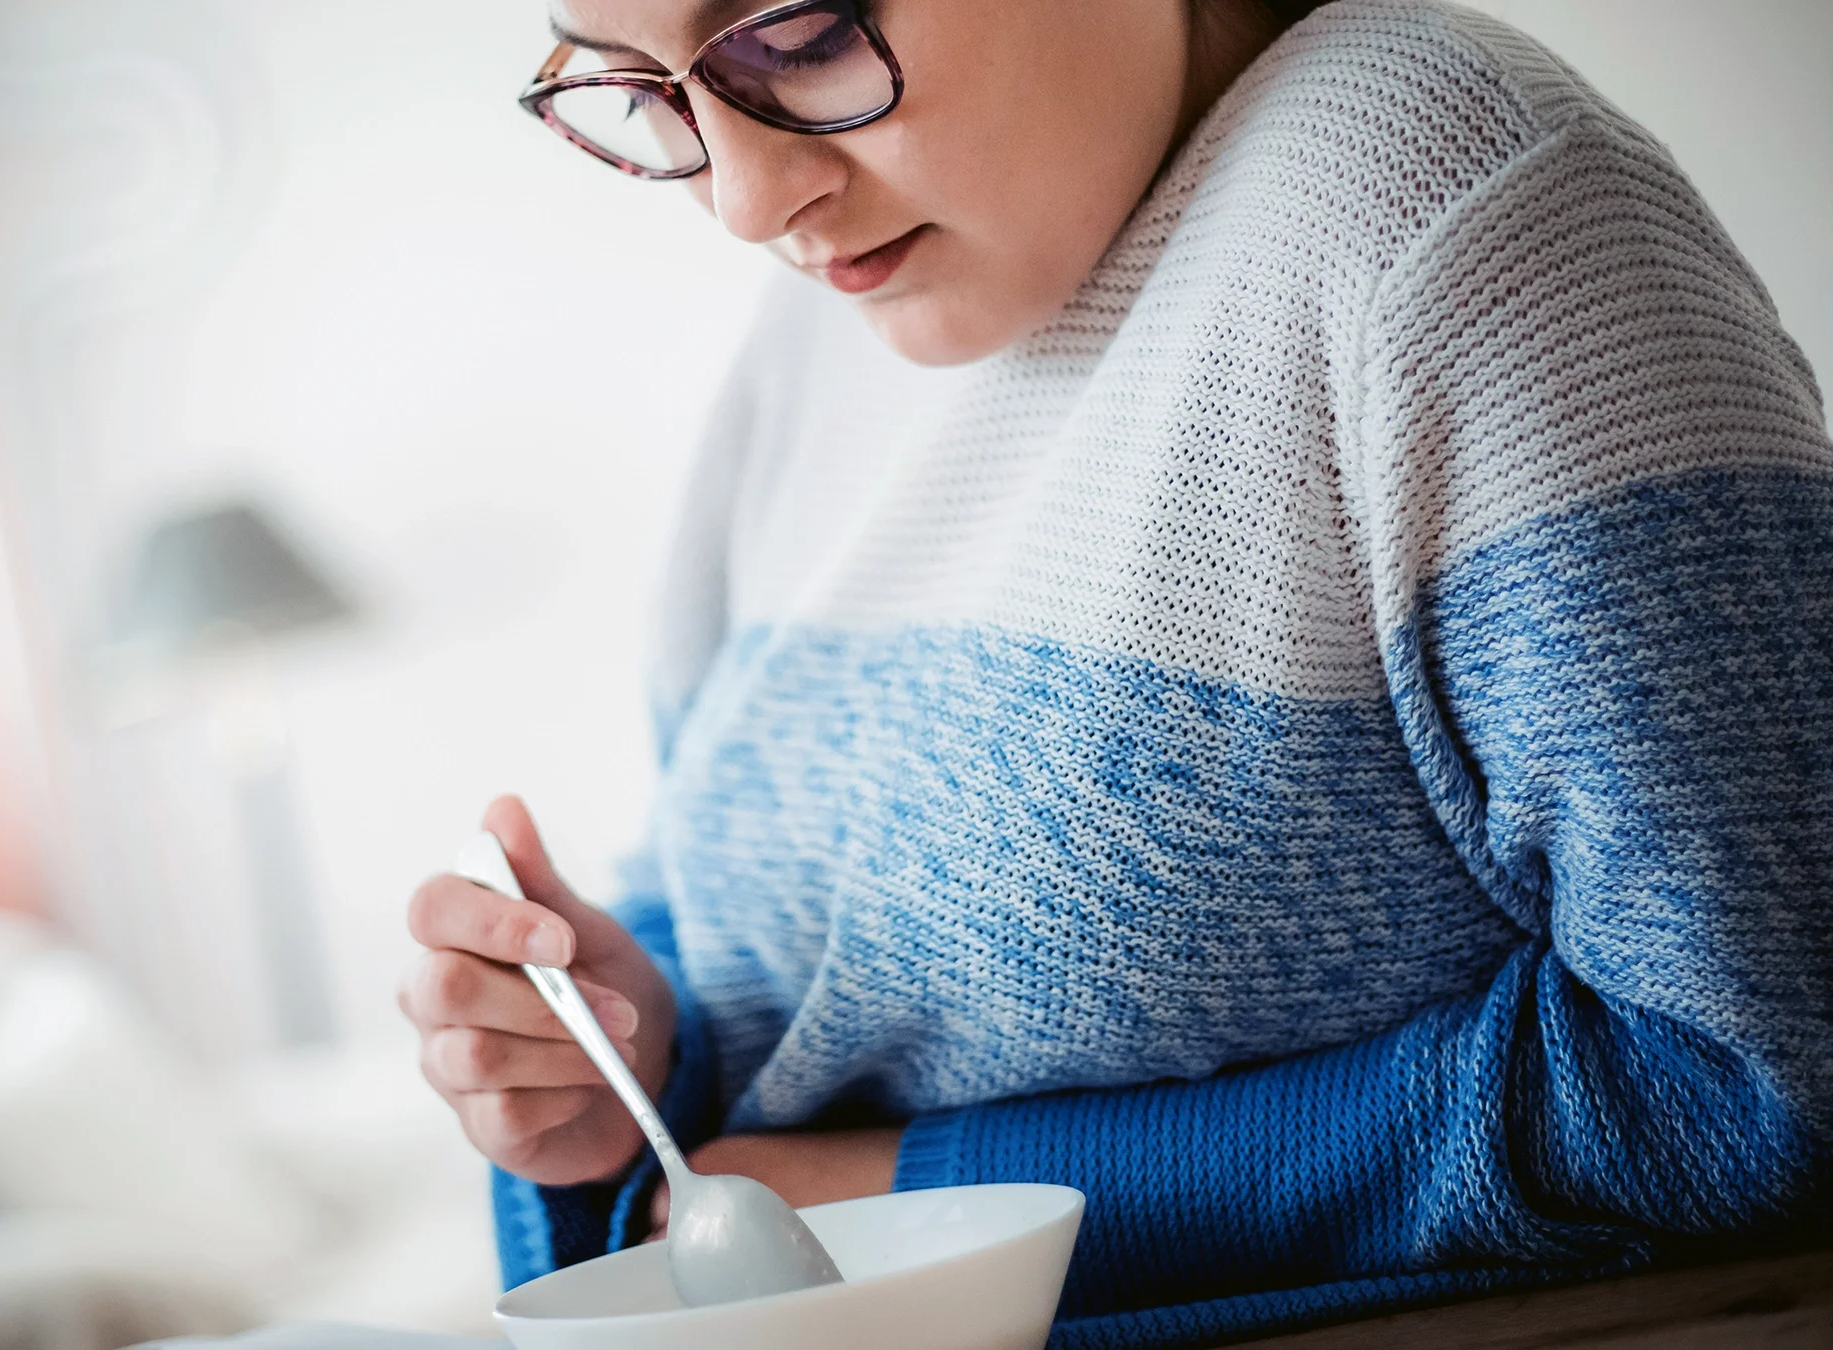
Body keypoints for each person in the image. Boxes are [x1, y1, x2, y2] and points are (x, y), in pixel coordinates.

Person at [396, 0, 1833, 1342]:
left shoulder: (1438, 188)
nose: (745, 202)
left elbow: (1765, 1074)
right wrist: (619, 1072)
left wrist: (931, 1191)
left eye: (804, 35)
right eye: (637, 91)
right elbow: (735, 1055)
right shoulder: (803, 351)